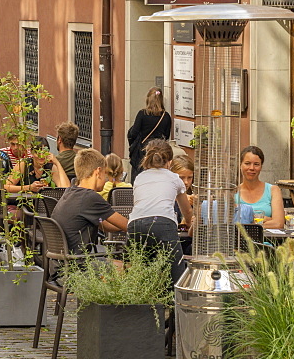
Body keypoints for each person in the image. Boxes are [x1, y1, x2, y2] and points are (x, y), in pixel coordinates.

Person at [127, 140, 193, 283]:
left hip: (135, 225)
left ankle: (142, 301)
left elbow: (139, 204)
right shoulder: (174, 178)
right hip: (163, 223)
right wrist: (188, 223)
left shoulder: (139, 178)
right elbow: (187, 211)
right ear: (169, 163)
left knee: (139, 272)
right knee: (177, 272)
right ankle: (175, 302)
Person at [50, 148, 128, 254]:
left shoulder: (71, 191)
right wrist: (145, 226)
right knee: (127, 267)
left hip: (60, 262)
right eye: (105, 174)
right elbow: (128, 225)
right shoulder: (90, 198)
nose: (106, 179)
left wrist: (122, 228)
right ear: (98, 172)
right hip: (78, 263)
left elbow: (104, 225)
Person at [127, 87, 172, 182]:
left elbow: (134, 133)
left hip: (142, 151)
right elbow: (166, 136)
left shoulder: (142, 114)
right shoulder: (166, 116)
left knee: (138, 176)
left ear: (148, 99)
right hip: (159, 152)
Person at [235, 145, 284, 229]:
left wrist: (246, 220)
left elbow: (278, 224)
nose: (251, 168)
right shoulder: (233, 192)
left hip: (266, 241)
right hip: (239, 241)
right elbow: (229, 223)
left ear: (261, 166)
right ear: (240, 165)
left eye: (256, 164)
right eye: (247, 163)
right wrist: (263, 220)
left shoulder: (273, 190)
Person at [4, 136, 70, 194]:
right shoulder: (23, 164)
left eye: (44, 152)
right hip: (24, 204)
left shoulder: (50, 167)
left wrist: (57, 163)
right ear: (32, 152)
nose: (41, 156)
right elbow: (6, 187)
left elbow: (66, 189)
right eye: (37, 152)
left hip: (44, 205)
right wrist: (29, 187)